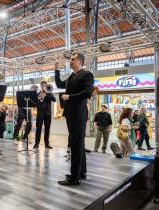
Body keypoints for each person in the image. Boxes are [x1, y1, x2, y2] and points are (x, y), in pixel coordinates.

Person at [55, 53, 94, 186]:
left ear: (80, 61)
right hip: (71, 114)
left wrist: (70, 97)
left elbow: (88, 93)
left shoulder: (87, 74)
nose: (70, 61)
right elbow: (60, 84)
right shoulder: (72, 76)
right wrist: (56, 70)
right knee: (78, 144)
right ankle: (81, 172)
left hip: (78, 114)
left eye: (73, 59)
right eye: (70, 59)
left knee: (76, 145)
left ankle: (74, 177)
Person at [34, 81, 56, 149]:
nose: (43, 86)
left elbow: (54, 100)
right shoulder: (38, 93)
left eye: (44, 85)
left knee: (47, 129)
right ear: (40, 86)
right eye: (42, 85)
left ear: (46, 86)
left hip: (47, 114)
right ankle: (36, 143)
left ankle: (47, 143)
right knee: (38, 129)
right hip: (40, 113)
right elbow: (35, 103)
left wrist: (47, 92)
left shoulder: (49, 93)